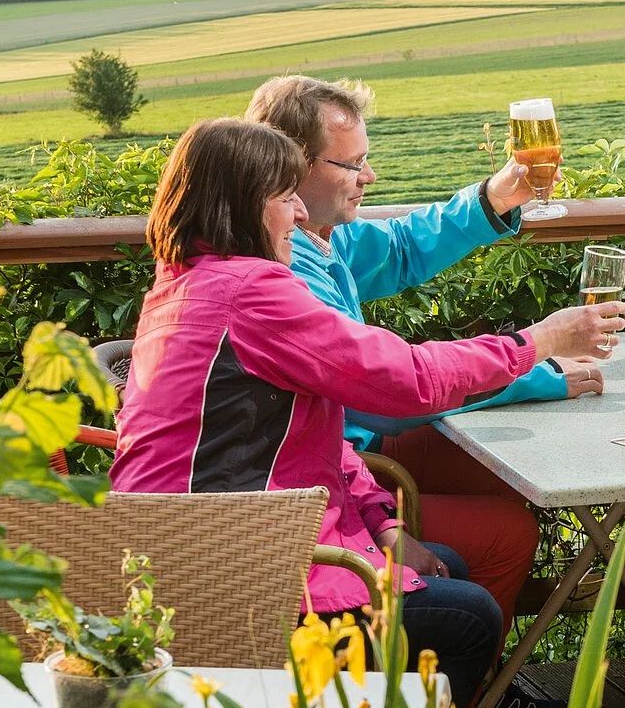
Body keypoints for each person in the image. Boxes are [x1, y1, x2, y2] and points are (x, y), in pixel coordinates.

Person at [111, 117, 625, 708]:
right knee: (469, 618)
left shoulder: (186, 283)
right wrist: (535, 342)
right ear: (244, 207)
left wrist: (383, 525)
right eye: (284, 197)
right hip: (234, 574)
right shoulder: (250, 293)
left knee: (450, 569)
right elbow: (403, 378)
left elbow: (317, 437)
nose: (299, 215)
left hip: (186, 552)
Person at [248, 75, 603, 632]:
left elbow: (401, 247)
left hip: (345, 456)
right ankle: (476, 698)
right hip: (339, 472)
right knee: (508, 532)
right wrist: (537, 363)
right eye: (351, 164)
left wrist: (495, 198)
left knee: (498, 475)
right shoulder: (284, 272)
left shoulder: (317, 235)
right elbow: (390, 397)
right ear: (290, 165)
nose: (369, 177)